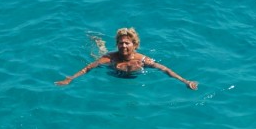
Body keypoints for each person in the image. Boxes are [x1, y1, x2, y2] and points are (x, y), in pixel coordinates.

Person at [56, 27, 197, 89]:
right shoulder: (109, 58)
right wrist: (70, 78)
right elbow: (88, 68)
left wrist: (185, 81)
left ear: (134, 45)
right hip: (112, 66)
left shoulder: (143, 60)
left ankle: (100, 42)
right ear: (117, 44)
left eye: (127, 43)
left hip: (127, 73)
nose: (123, 45)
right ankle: (98, 41)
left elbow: (165, 69)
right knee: (99, 55)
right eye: (120, 43)